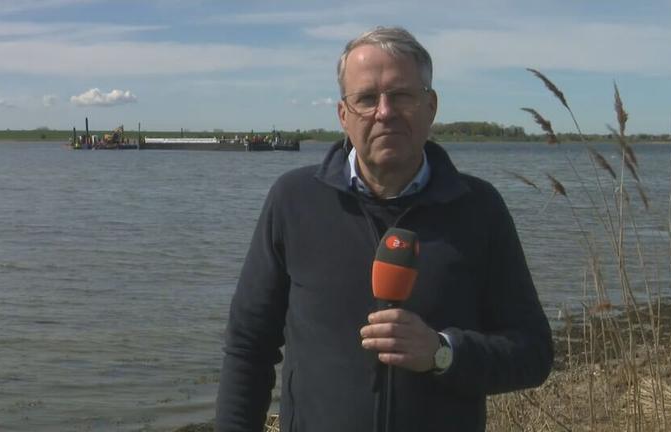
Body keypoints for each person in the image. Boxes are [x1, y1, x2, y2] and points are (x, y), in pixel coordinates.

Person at [216, 26, 553, 432]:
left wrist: (443, 353)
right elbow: (248, 346)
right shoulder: (294, 200)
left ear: (430, 106)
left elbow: (533, 353)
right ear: (344, 115)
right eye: (366, 99)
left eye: (401, 95)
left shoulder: (479, 208)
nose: (384, 112)